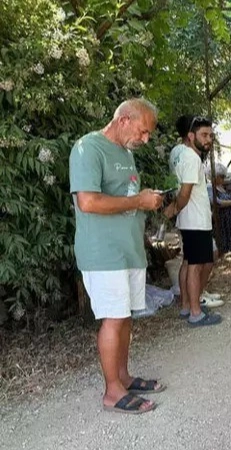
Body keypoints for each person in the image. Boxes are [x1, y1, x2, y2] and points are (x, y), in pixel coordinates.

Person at [69, 98, 165, 414]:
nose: (145, 139)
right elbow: (88, 202)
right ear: (124, 120)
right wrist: (139, 201)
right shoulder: (88, 148)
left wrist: (145, 200)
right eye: (143, 131)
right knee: (113, 317)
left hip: (128, 250)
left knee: (123, 316)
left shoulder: (125, 152)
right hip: (103, 252)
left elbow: (126, 196)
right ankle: (112, 392)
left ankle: (123, 377)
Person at [166, 115, 223, 327]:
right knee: (196, 266)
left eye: (210, 135)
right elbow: (185, 192)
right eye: (204, 135)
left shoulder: (177, 152)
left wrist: (176, 210)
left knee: (189, 262)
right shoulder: (192, 158)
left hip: (188, 219)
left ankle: (186, 306)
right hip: (196, 219)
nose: (208, 140)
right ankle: (196, 312)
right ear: (190, 136)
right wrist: (174, 208)